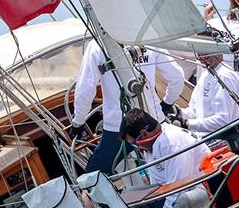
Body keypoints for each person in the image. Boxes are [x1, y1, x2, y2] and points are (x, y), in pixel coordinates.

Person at [69, 40, 185, 175]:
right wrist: (166, 104)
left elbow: (85, 89)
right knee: (169, 165)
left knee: (92, 178)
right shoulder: (145, 37)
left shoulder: (97, 46)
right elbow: (177, 77)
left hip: (118, 130)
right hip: (155, 121)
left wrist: (78, 122)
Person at [112, 108, 210, 208]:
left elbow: (178, 187)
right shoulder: (151, 148)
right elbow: (160, 189)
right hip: (179, 189)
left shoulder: (171, 143)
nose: (136, 147)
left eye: (134, 143)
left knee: (184, 200)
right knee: (128, 196)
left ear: (144, 135)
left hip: (205, 188)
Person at [173, 52, 239, 135]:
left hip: (223, 139)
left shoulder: (225, 76)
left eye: (204, 52)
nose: (200, 58)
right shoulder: (205, 75)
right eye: (197, 53)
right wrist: (178, 112)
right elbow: (195, 111)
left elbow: (222, 120)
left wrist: (187, 123)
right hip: (203, 138)